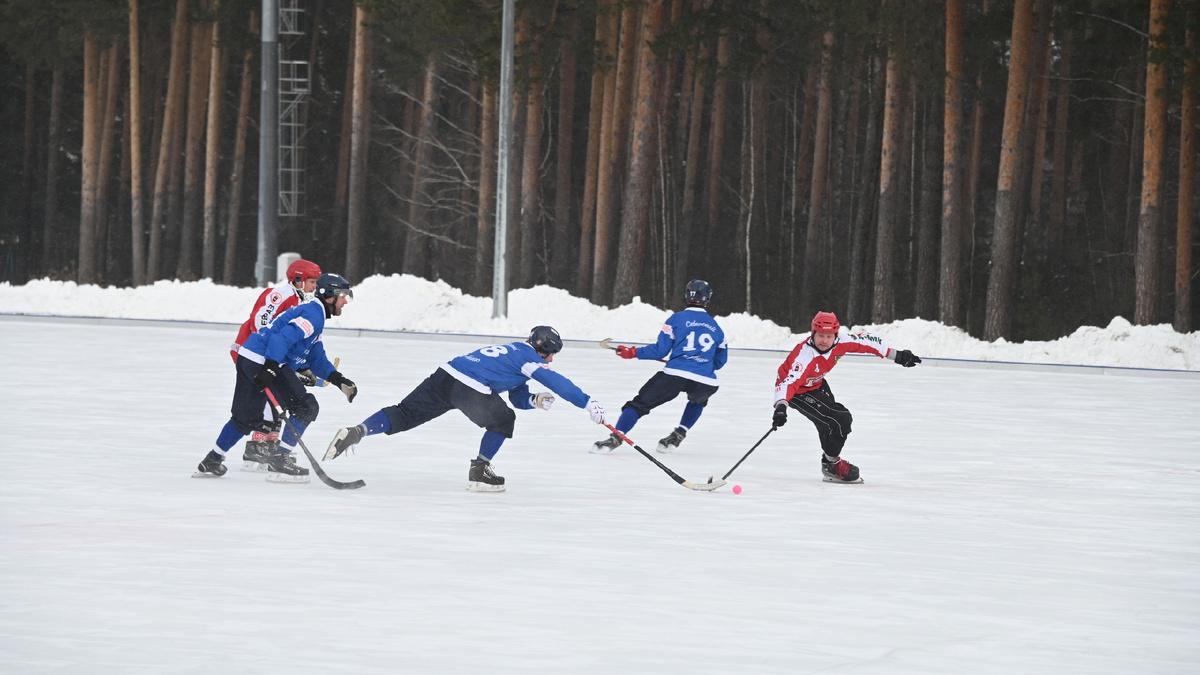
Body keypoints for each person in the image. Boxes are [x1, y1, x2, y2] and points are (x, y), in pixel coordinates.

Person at [322, 326, 609, 493]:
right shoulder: (530, 359)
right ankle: (480, 471)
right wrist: (588, 403)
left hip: (446, 375)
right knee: (503, 421)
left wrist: (533, 401)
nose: (551, 361)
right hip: (468, 387)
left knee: (405, 413)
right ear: (541, 348)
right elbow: (559, 383)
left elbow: (518, 396)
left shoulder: (514, 352)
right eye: (550, 354)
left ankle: (358, 431)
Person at [194, 273, 359, 482]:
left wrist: (337, 379)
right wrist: (271, 367)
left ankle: (212, 459)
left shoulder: (314, 313)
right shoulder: (314, 315)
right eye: (343, 296)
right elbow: (282, 338)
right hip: (263, 361)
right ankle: (281, 459)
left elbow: (316, 356)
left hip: (249, 356)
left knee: (245, 417)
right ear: (329, 296)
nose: (346, 301)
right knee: (306, 407)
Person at [770, 311, 922, 484]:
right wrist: (781, 407)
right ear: (813, 333)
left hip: (816, 383)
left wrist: (897, 356)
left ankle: (829, 462)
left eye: (829, 336)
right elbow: (788, 383)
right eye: (820, 335)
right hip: (797, 391)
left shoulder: (841, 341)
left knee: (829, 421)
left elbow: (868, 342)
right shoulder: (804, 356)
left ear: (836, 335)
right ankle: (831, 466)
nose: (824, 341)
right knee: (840, 419)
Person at [590, 279, 728, 455]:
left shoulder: (676, 319)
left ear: (687, 296)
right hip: (706, 381)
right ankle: (678, 435)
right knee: (699, 400)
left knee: (638, 405)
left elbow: (660, 351)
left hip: (675, 375)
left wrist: (633, 352)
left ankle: (615, 438)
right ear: (707, 298)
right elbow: (720, 362)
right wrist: (701, 363)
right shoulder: (717, 328)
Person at [229, 258, 323, 469]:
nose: (315, 287)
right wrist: (272, 353)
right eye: (312, 281)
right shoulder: (281, 294)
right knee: (267, 396)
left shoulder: (301, 301)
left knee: (280, 396)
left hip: (270, 356)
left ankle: (269, 442)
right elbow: (260, 321)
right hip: (253, 352)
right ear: (298, 280)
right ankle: (257, 444)